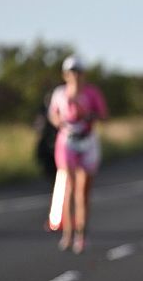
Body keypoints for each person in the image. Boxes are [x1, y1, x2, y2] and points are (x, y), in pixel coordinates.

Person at [47, 56, 109, 253]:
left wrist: (89, 115)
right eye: (71, 72)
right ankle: (67, 234)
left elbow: (103, 114)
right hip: (67, 141)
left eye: (78, 72)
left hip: (87, 141)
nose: (75, 75)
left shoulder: (92, 93)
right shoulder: (59, 93)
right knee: (69, 189)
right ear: (65, 74)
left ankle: (81, 234)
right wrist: (59, 121)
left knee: (83, 192)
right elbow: (53, 114)